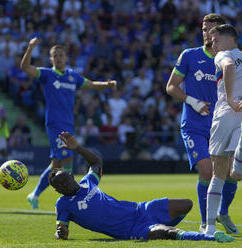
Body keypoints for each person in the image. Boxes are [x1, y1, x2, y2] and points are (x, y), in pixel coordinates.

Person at [49, 132, 234, 243]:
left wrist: (78, 148)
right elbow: (62, 230)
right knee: (165, 232)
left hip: (141, 209)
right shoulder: (63, 204)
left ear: (71, 175)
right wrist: (60, 232)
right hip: (131, 230)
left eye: (65, 178)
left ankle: (161, 228)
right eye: (61, 184)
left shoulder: (87, 182)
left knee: (186, 205)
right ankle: (210, 238)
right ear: (58, 190)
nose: (65, 184)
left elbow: (96, 162)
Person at [20, 37, 117, 209]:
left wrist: (107, 84)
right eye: (55, 55)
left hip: (68, 124)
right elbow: (25, 68)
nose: (58, 58)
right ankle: (71, 198)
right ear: (51, 59)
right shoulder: (47, 74)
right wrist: (29, 48)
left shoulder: (73, 76)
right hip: (55, 124)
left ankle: (34, 195)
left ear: (66, 58)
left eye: (61, 55)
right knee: (68, 156)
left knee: (56, 164)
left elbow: (91, 84)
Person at [166, 13, 238, 234]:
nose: (207, 33)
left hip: (223, 122)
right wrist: (192, 101)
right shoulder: (189, 55)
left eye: (211, 28)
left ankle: (222, 211)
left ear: (221, 31)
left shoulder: (231, 58)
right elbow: (171, 86)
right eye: (204, 29)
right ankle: (207, 222)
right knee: (207, 171)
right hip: (195, 124)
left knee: (231, 172)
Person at [205, 24, 242, 235]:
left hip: (226, 115)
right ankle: (238, 163)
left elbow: (227, 66)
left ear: (229, 39)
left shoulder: (223, 55)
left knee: (218, 173)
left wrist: (229, 98)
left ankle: (209, 227)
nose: (213, 45)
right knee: (233, 173)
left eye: (216, 40)